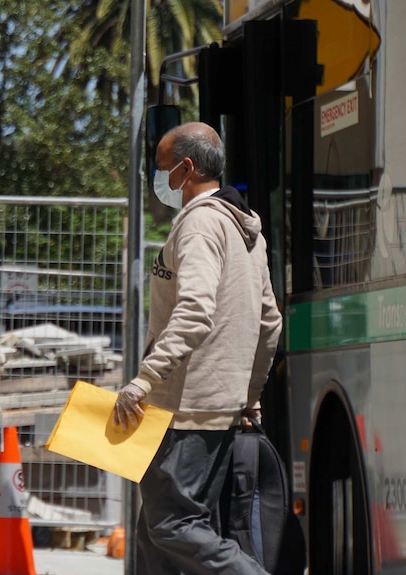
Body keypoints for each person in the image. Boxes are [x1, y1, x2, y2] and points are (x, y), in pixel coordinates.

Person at [113, 122, 282, 574]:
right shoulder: (247, 232)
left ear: (186, 169)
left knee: (172, 524)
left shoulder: (201, 224)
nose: (158, 176)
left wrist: (144, 379)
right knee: (154, 537)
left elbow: (194, 312)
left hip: (185, 409)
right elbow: (270, 322)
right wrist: (247, 393)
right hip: (217, 405)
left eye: (162, 166)